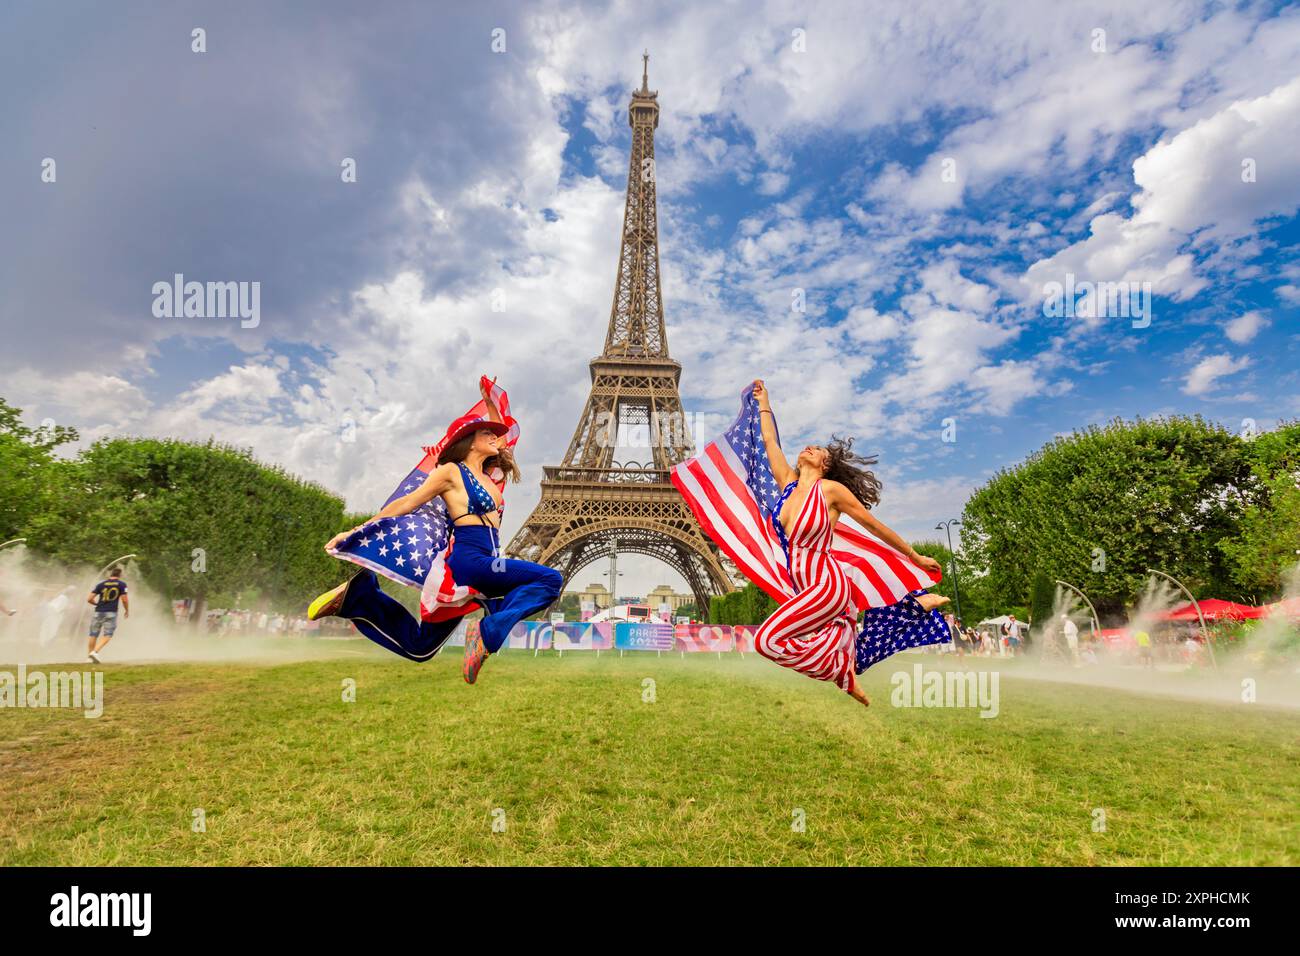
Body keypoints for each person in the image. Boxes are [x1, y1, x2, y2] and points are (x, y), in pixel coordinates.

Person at [673, 380, 949, 709]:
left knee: (766, 640)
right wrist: (765, 403)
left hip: (827, 585)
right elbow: (769, 440)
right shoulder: (787, 484)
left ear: (825, 464)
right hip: (805, 589)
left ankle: (840, 673)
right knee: (844, 648)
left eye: (817, 449)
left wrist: (914, 555)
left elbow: (873, 526)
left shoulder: (831, 491)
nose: (809, 447)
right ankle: (912, 611)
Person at [308, 376, 561, 684]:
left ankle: (357, 598)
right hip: (471, 560)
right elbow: (406, 504)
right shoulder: (451, 472)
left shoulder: (490, 476)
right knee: (550, 578)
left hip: (487, 561)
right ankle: (487, 632)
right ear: (468, 442)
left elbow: (504, 437)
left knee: (421, 647)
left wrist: (492, 405)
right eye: (486, 433)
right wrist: (356, 531)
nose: (495, 437)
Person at [86, 566, 128, 663]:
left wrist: (96, 604)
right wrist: (127, 610)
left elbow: (89, 599)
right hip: (111, 612)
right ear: (120, 575)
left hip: (98, 611)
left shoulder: (101, 584)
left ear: (111, 574)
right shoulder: (122, 584)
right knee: (108, 635)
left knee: (93, 634)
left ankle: (89, 658)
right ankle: (95, 652)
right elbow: (124, 599)